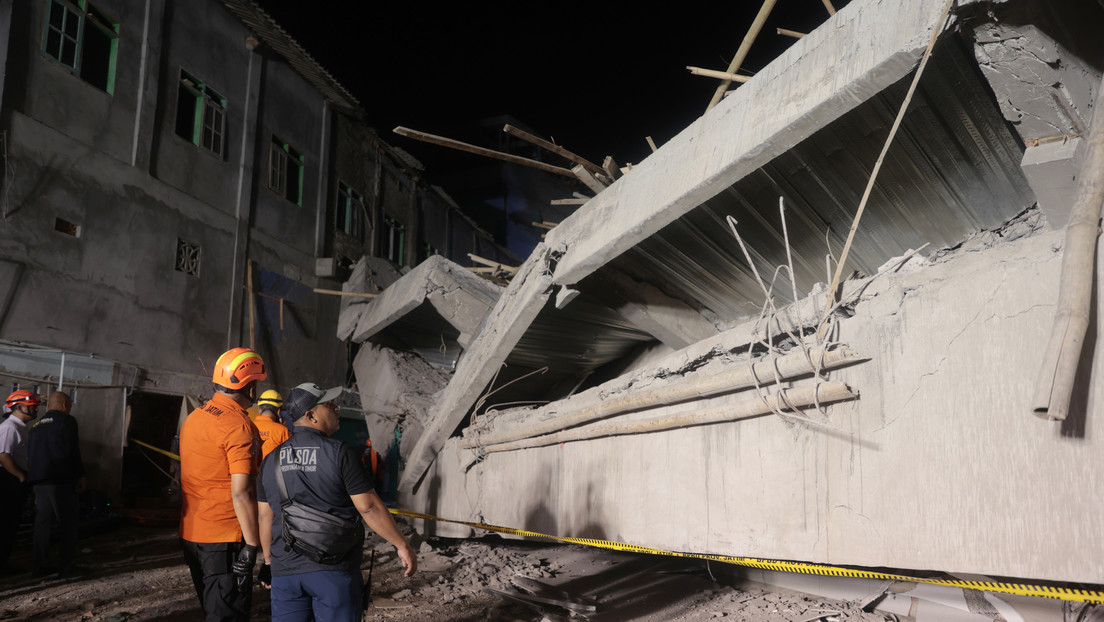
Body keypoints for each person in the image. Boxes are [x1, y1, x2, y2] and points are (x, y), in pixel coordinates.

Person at [257, 382, 417, 621]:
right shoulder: (340, 452)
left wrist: (269, 562)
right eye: (329, 404)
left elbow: (264, 516)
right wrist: (401, 545)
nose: (336, 408)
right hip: (333, 571)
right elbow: (369, 507)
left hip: (285, 572)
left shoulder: (271, 460)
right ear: (311, 415)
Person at [179, 347, 266, 622]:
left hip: (193, 533)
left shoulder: (195, 417)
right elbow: (242, 492)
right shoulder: (239, 426)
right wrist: (252, 545)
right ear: (250, 388)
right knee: (228, 615)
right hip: (224, 538)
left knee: (212, 607)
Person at [28, 391, 86, 578]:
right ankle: (67, 567)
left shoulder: (35, 426)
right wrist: (80, 475)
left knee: (43, 523)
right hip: (60, 480)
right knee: (68, 523)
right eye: (68, 404)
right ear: (63, 404)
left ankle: (40, 566)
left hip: (39, 482)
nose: (69, 408)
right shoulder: (67, 421)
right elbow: (72, 449)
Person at [0, 390, 39, 574]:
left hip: (15, 478)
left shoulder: (21, 427)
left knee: (11, 524)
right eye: (33, 406)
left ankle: (4, 563)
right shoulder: (9, 427)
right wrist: (20, 476)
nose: (36, 409)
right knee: (5, 523)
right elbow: (3, 456)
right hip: (9, 479)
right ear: (20, 406)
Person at [255, 390, 290, 459]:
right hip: (271, 469)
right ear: (278, 411)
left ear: (259, 410)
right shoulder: (282, 431)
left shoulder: (248, 426)